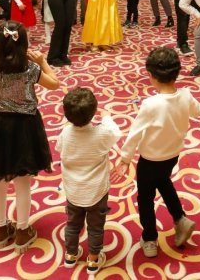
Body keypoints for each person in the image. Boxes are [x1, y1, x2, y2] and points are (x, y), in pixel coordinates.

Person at [0, 21, 60, 253]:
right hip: (24, 126)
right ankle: (21, 230)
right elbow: (55, 84)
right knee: (22, 181)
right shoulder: (30, 69)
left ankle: (0, 229)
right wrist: (42, 61)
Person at [112, 47, 200, 258]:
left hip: (150, 158)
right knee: (163, 180)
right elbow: (198, 111)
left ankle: (150, 237)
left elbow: (135, 133)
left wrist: (125, 159)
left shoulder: (150, 104)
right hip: (172, 154)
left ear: (151, 75)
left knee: (145, 197)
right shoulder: (186, 95)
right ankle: (180, 218)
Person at [56, 87, 121, 274]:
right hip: (97, 191)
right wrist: (107, 118)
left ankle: (70, 255)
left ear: (67, 115)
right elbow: (116, 133)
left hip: (74, 191)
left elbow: (60, 149)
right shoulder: (102, 134)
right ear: (93, 113)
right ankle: (93, 260)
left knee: (72, 224)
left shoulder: (65, 134)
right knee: (95, 227)